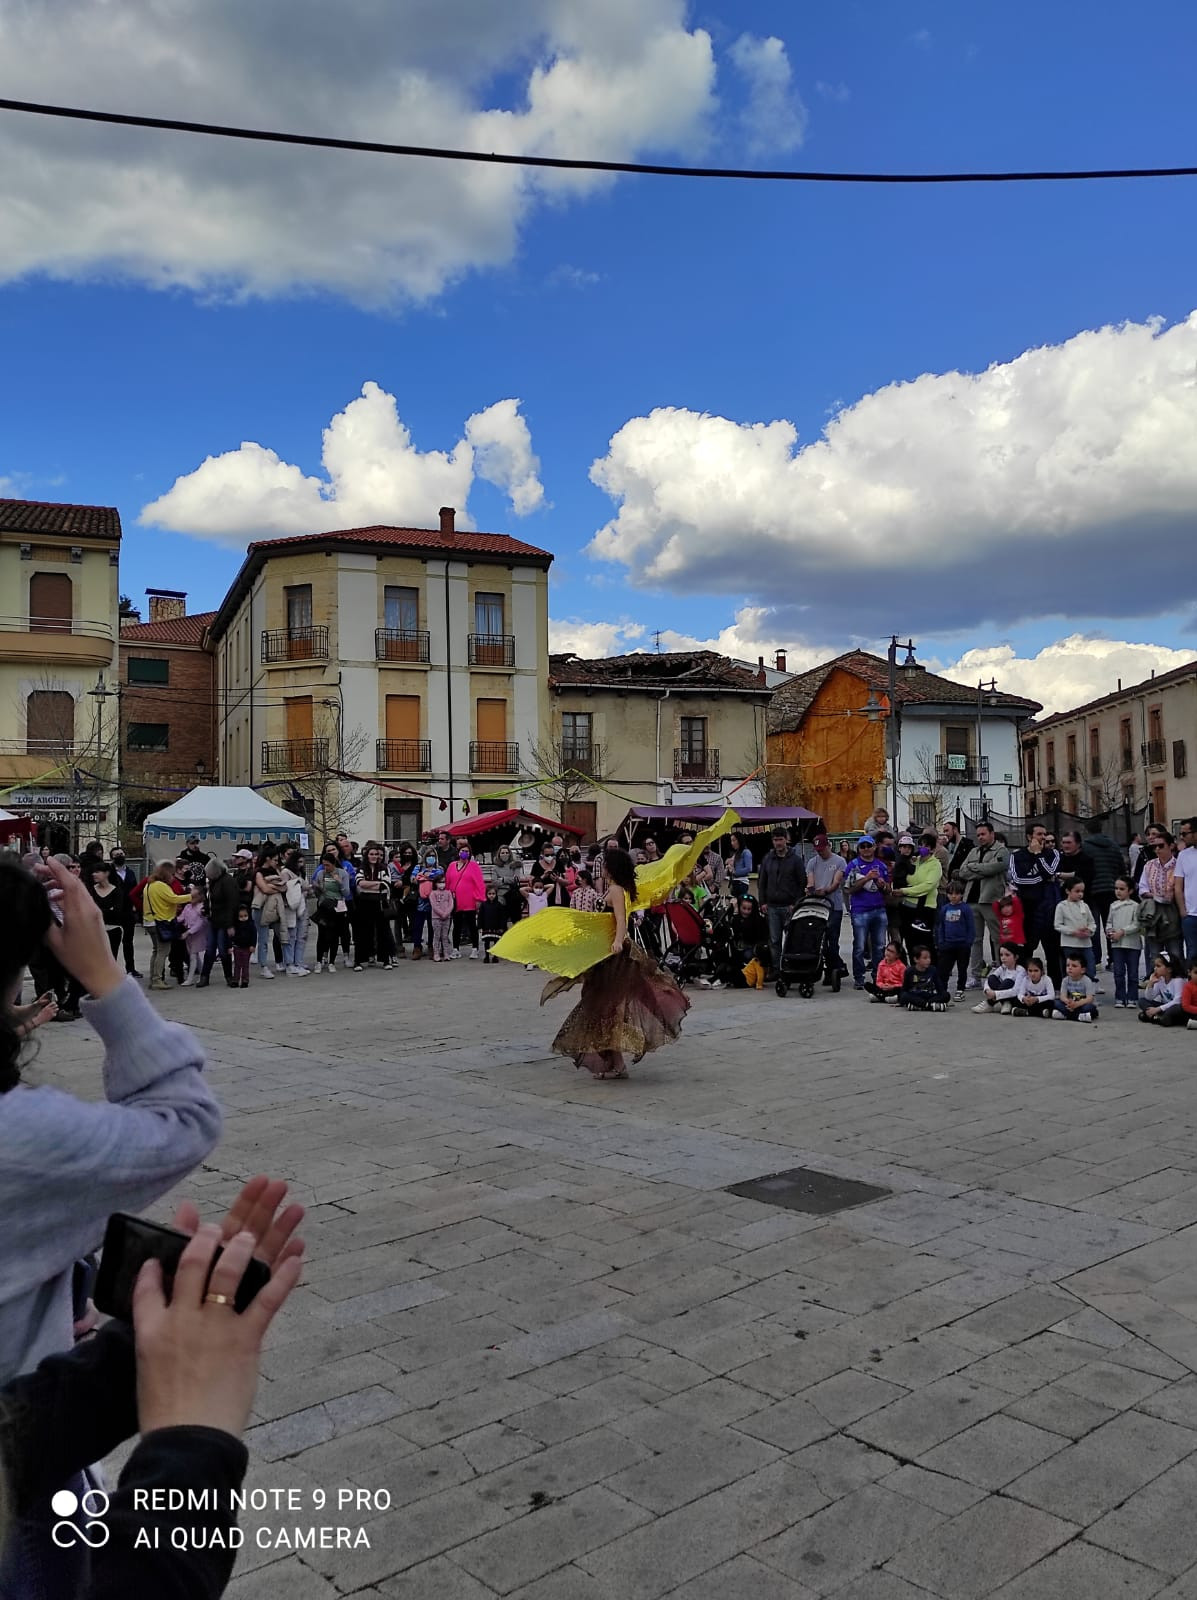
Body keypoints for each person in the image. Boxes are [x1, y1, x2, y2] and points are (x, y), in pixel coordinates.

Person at [495, 817, 734, 1077]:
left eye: (606, 865)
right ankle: (614, 1062)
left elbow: (621, 919)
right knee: (599, 1007)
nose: (603, 868)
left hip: (615, 956)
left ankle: (616, 1063)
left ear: (613, 868)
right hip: (605, 955)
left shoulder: (618, 890)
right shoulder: (614, 888)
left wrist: (618, 941)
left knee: (604, 1008)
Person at [1007, 824, 1062, 985]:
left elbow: (1051, 873)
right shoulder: (1017, 856)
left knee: (1052, 950)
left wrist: (1038, 855)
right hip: (1027, 909)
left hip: (1048, 908)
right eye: (1039, 834)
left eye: (1045, 834)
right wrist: (1041, 878)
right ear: (1029, 837)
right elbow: (1018, 880)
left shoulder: (1053, 854)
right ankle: (1024, 983)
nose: (1043, 837)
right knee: (1026, 949)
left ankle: (1055, 984)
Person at [957, 822, 1009, 986]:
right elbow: (962, 871)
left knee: (997, 938)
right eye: (978, 835)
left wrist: (975, 868)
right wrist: (980, 870)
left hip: (991, 899)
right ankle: (976, 975)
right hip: (972, 900)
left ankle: (1002, 972)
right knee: (975, 939)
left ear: (992, 833)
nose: (980, 837)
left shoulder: (1001, 850)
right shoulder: (974, 851)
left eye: (983, 834)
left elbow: (995, 868)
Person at [757, 828, 806, 980]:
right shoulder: (767, 859)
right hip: (771, 906)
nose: (778, 843)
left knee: (792, 939)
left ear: (786, 840)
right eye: (775, 840)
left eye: (780, 839)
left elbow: (801, 882)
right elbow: (762, 881)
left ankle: (792, 967)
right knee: (774, 940)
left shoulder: (795, 860)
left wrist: (796, 903)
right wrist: (762, 902)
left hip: (789, 906)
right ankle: (777, 969)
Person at [845, 836, 891, 990]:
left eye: (868, 846)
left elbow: (888, 891)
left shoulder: (881, 865)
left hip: (879, 909)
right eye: (862, 846)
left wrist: (883, 885)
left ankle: (878, 976)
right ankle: (859, 978)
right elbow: (848, 889)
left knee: (879, 946)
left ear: (874, 847)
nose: (866, 849)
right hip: (860, 910)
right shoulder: (853, 865)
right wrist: (866, 879)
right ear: (858, 849)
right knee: (859, 946)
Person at [1082, 818, 1126, 968]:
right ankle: (1113, 959)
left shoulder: (1085, 847)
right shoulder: (1114, 845)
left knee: (1093, 925)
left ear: (1087, 830)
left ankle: (1096, 960)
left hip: (1093, 890)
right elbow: (1121, 867)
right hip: (1112, 889)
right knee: (1110, 925)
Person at [144, 860, 193, 991]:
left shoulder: (149, 885)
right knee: (163, 951)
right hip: (160, 921)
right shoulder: (161, 886)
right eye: (171, 874)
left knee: (156, 951)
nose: (172, 877)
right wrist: (192, 896)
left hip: (149, 920)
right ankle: (157, 980)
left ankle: (154, 978)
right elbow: (174, 899)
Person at [1138, 831, 1183, 971]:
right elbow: (1142, 888)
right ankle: (1155, 986)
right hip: (1153, 913)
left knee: (1175, 953)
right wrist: (1155, 897)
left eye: (1160, 846)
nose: (1157, 849)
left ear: (1171, 846)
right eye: (1154, 847)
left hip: (1173, 913)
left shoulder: (1179, 865)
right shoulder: (1149, 865)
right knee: (1154, 955)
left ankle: (1178, 984)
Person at [805, 833, 847, 984]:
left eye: (822, 849)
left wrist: (827, 890)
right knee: (817, 939)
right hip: (817, 905)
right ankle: (833, 966)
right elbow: (810, 878)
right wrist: (810, 888)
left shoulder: (839, 861)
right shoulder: (812, 862)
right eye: (817, 850)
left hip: (833, 905)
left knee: (832, 939)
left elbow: (837, 881)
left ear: (828, 846)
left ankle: (833, 970)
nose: (820, 852)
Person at [352, 841, 395, 970]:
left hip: (380, 902)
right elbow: (359, 883)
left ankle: (385, 960)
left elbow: (385, 884)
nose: (374, 856)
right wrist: (376, 883)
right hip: (364, 902)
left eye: (376, 854)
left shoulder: (383, 868)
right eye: (371, 854)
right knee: (363, 932)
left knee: (383, 932)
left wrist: (370, 883)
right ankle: (359, 961)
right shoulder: (361, 868)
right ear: (367, 855)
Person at [311, 844, 353, 973]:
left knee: (334, 935)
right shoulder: (320, 874)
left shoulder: (342, 873)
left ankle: (332, 962)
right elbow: (317, 894)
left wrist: (339, 882)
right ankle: (319, 961)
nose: (326, 868)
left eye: (328, 865)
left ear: (333, 863)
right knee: (322, 934)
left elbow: (346, 893)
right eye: (323, 865)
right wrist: (317, 888)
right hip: (324, 906)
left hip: (338, 906)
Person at [200, 857, 240, 989]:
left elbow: (232, 904)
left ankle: (229, 976)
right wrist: (206, 908)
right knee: (210, 950)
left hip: (224, 921)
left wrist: (230, 925)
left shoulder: (228, 881)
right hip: (214, 920)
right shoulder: (213, 881)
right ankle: (204, 976)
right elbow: (209, 898)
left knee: (223, 951)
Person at [899, 837, 942, 956]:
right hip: (908, 906)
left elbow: (927, 886)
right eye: (921, 845)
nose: (923, 848)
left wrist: (905, 891)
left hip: (926, 907)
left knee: (925, 942)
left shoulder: (935, 864)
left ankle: (931, 969)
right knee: (910, 942)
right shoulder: (914, 861)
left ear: (932, 849)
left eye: (927, 846)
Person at [1105, 876, 1143, 1008]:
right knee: (1118, 973)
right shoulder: (1113, 905)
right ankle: (1120, 998)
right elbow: (1109, 921)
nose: (1118, 891)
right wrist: (1109, 931)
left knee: (1133, 973)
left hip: (1133, 945)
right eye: (1116, 888)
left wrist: (1122, 931)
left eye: (1122, 889)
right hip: (1117, 945)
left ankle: (1132, 998)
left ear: (1130, 890)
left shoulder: (1135, 906)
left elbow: (1136, 925)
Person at [249, 846, 286, 979]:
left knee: (282, 934)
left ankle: (287, 961)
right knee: (263, 938)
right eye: (275, 859)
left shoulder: (276, 870)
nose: (277, 862)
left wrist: (271, 886)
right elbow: (264, 889)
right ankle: (263, 966)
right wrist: (274, 887)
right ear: (268, 859)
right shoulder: (258, 872)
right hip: (261, 908)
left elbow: (284, 886)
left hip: (274, 907)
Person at [445, 844, 487, 958]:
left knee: (472, 925)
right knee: (456, 925)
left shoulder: (473, 866)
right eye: (463, 851)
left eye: (467, 851)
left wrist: (479, 899)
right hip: (455, 901)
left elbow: (480, 884)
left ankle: (475, 949)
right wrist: (447, 898)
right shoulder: (452, 866)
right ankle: (455, 949)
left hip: (470, 900)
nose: (465, 853)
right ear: (458, 852)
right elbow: (448, 882)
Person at [935, 881, 975, 998]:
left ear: (961, 894)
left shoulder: (966, 908)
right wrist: (941, 942)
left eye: (956, 894)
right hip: (947, 944)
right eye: (950, 893)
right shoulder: (944, 909)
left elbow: (971, 926)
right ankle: (943, 989)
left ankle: (960, 989)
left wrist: (968, 942)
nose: (953, 896)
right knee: (944, 969)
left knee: (962, 969)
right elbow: (941, 926)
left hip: (962, 944)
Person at [1055, 878, 1097, 981]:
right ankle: (1071, 993)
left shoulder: (1085, 905)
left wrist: (1089, 930)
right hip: (1069, 944)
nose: (1080, 894)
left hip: (1086, 944)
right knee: (1071, 971)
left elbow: (1092, 922)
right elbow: (1058, 925)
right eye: (1077, 891)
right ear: (1068, 891)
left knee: (1090, 968)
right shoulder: (1061, 906)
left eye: (1082, 891)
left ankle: (1087, 991)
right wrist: (1073, 932)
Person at [108, 847, 141, 977]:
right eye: (116, 855)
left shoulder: (131, 873)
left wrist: (135, 906)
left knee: (128, 941)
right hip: (114, 912)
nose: (120, 856)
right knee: (113, 943)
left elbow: (135, 890)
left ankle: (131, 968)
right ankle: (111, 970)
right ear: (112, 857)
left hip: (128, 911)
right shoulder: (109, 873)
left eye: (121, 854)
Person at [86, 861, 126, 962]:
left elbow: (117, 913)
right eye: (93, 872)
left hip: (113, 931)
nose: (94, 874)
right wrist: (108, 910)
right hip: (95, 931)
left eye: (97, 871)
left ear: (106, 873)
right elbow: (88, 911)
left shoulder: (116, 891)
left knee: (111, 960)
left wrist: (97, 909)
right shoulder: (90, 890)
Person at [973, 944, 1026, 1014]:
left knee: (1007, 982)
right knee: (992, 978)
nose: (1003, 958)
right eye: (1001, 955)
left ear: (1016, 957)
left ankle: (990, 1003)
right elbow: (989, 978)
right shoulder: (1003, 967)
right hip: (1003, 995)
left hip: (1015, 997)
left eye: (1007, 955)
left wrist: (995, 994)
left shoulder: (1020, 970)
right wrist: (987, 990)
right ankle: (1005, 1002)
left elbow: (1015, 991)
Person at [1173, 818, 1197, 964]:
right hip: (1191, 915)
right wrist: (1183, 911)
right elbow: (1178, 885)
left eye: (1185, 833)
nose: (1182, 837)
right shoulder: (1184, 855)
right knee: (1192, 952)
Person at [897, 946, 949, 1011]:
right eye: (925, 958)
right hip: (916, 996)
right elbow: (904, 990)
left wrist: (941, 996)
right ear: (916, 959)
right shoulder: (909, 971)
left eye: (929, 958)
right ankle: (930, 1006)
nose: (928, 960)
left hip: (929, 996)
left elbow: (940, 988)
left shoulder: (933, 970)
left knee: (946, 995)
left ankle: (921, 1006)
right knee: (904, 996)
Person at [178, 886, 210, 986]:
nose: (191, 899)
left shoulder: (201, 908)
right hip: (189, 934)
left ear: (200, 897)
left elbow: (200, 924)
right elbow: (181, 918)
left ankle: (190, 979)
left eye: (194, 897)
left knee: (193, 956)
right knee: (194, 955)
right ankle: (203, 974)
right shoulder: (187, 907)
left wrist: (188, 932)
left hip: (198, 935)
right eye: (190, 897)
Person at [1053, 954, 1099, 1022]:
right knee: (1055, 1003)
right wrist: (1068, 1002)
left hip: (1082, 1004)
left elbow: (1090, 998)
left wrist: (1077, 1004)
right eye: (1068, 965)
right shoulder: (1065, 980)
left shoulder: (1087, 981)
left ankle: (1066, 1016)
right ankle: (1079, 1017)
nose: (1070, 968)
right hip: (1070, 1004)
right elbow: (1062, 996)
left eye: (1074, 966)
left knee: (1090, 1008)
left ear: (1082, 970)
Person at [1138, 952, 1182, 1023]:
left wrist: (1157, 1009)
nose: (1155, 968)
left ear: (1169, 969)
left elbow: (1177, 1001)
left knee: (1176, 1009)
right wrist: (1151, 983)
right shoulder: (1160, 979)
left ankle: (1155, 1017)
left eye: (1158, 966)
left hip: (1174, 1007)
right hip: (1164, 1007)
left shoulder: (1178, 981)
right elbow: (1149, 997)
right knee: (1142, 1001)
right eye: (1155, 966)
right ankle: (1158, 1017)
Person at [478, 884, 509, 961]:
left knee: (496, 942)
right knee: (487, 942)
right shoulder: (483, 905)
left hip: (496, 927)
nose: (491, 896)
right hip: (486, 927)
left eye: (493, 894)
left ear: (496, 894)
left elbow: (502, 917)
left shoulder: (499, 905)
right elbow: (480, 916)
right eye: (489, 894)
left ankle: (495, 956)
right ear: (486, 894)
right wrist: (479, 926)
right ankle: (487, 956)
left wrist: (502, 927)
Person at [429, 881, 455, 961]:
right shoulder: (433, 893)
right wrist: (441, 913)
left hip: (447, 917)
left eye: (443, 882)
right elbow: (434, 905)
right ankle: (436, 954)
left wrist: (447, 913)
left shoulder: (448, 892)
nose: (442, 884)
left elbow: (451, 904)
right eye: (439, 882)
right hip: (436, 918)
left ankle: (446, 953)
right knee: (437, 936)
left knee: (445, 936)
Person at [231, 906, 256, 986]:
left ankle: (245, 980)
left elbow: (254, 936)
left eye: (245, 916)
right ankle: (235, 980)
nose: (243, 918)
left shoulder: (251, 925)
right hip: (237, 947)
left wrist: (253, 945)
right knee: (237, 965)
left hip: (247, 948)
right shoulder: (236, 925)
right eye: (241, 916)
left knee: (245, 965)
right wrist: (231, 945)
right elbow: (232, 936)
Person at [728, 832, 753, 900]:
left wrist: (735, 872)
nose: (732, 843)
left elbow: (748, 868)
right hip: (735, 882)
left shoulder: (746, 852)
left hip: (742, 883)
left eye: (734, 840)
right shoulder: (737, 853)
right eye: (731, 841)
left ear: (739, 840)